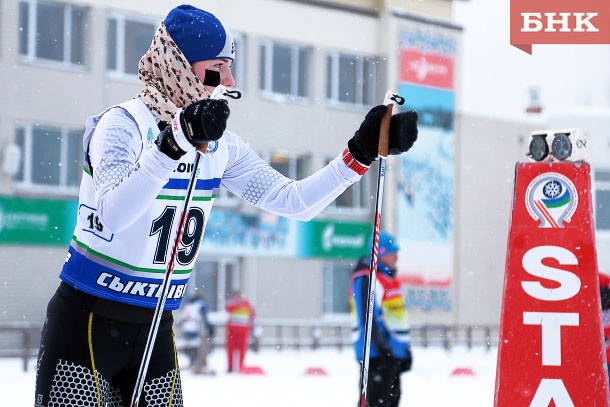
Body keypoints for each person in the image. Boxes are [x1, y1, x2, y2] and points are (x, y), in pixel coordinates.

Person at [34, 4, 419, 406]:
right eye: (218, 67)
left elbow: (294, 202)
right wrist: (172, 144)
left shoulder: (220, 147)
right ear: (179, 65)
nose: (229, 80)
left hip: (155, 327)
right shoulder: (123, 125)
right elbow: (113, 214)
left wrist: (359, 152)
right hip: (88, 321)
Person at [350, 231, 413, 407]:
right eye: (393, 252)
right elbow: (368, 317)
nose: (396, 257)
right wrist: (384, 349)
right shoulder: (367, 277)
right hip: (377, 355)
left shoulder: (387, 278)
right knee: (376, 402)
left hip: (393, 353)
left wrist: (404, 350)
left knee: (391, 401)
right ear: (382, 252)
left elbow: (395, 318)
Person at [180, 294, 215, 374]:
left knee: (192, 348)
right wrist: (209, 328)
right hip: (199, 330)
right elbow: (204, 318)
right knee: (201, 349)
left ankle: (193, 363)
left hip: (188, 329)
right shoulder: (201, 305)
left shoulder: (188, 305)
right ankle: (199, 366)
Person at [225, 292, 256, 373]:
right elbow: (228, 308)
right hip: (232, 332)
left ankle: (241, 367)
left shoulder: (247, 305)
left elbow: (253, 315)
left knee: (242, 350)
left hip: (243, 331)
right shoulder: (232, 304)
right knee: (230, 350)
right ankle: (231, 368)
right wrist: (237, 304)